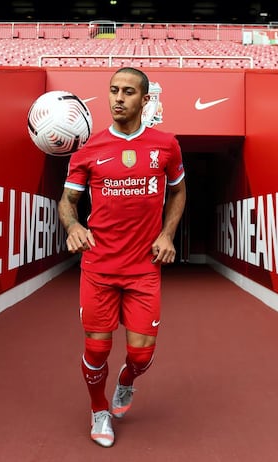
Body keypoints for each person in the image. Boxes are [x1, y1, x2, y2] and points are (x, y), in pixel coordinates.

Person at [57, 67, 187, 448]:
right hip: (99, 266)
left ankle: (127, 382)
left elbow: (178, 192)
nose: (118, 98)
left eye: (128, 92)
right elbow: (68, 201)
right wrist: (73, 227)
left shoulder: (166, 145)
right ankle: (99, 410)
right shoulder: (88, 150)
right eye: (113, 90)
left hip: (144, 268)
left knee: (141, 356)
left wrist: (167, 234)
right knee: (97, 348)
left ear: (145, 100)